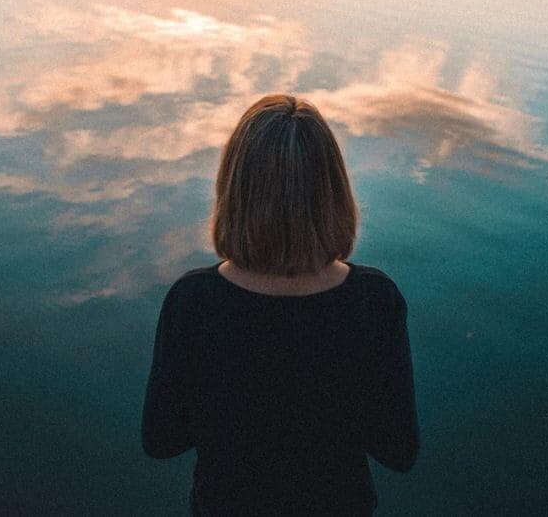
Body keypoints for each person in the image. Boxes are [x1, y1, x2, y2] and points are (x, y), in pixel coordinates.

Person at [141, 94, 419, 516]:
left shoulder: (193, 302)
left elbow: (161, 441)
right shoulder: (374, 301)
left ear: (233, 191)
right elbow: (399, 451)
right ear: (333, 193)